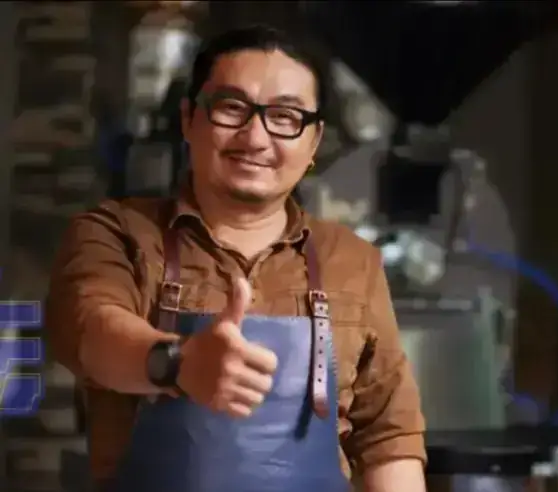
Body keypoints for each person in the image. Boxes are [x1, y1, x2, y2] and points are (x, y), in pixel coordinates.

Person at [45, 26, 427, 492]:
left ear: (313, 141)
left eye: (285, 116)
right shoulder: (115, 232)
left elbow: (388, 439)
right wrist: (177, 363)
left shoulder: (353, 260)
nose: (255, 137)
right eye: (231, 108)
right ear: (189, 119)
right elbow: (92, 333)